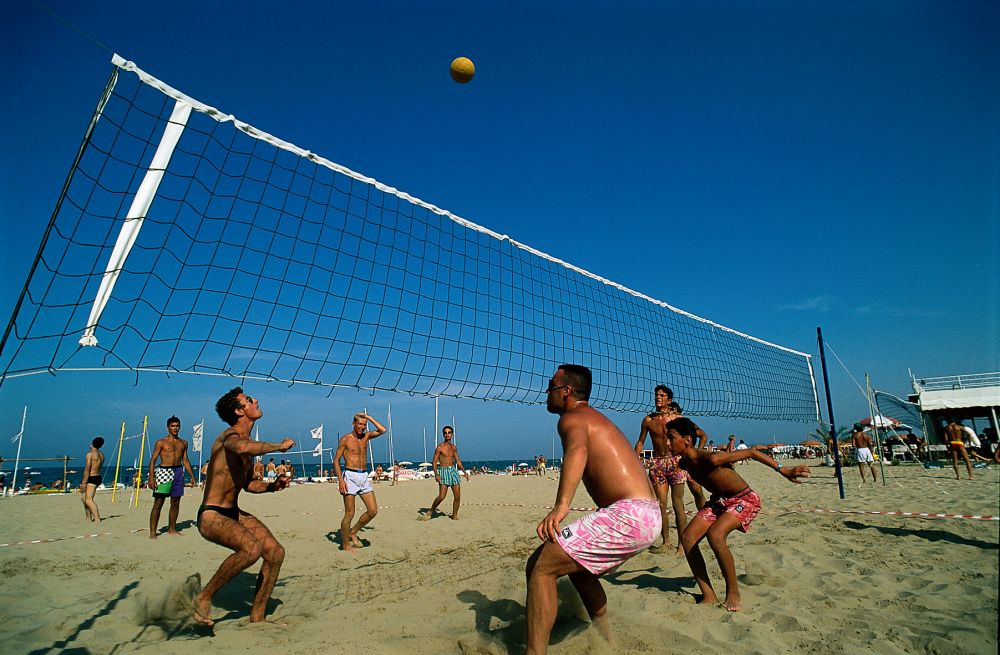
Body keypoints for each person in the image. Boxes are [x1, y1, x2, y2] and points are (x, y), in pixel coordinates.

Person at [526, 365, 660, 654]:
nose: (546, 392)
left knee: (541, 567)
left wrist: (561, 507)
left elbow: (578, 452)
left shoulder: (572, 418)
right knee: (580, 572)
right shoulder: (594, 418)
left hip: (630, 514)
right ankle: (606, 642)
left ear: (566, 392)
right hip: (646, 515)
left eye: (550, 386)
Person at [665, 417, 810, 611]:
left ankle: (733, 592)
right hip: (719, 501)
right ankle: (708, 595)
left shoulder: (711, 458)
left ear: (687, 440)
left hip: (744, 499)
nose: (666, 442)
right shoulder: (684, 464)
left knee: (715, 535)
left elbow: (752, 452)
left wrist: (785, 470)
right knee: (687, 538)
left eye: (671, 438)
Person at [192, 387, 294, 627]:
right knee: (251, 549)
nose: (256, 400)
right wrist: (278, 447)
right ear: (240, 411)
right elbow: (240, 447)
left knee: (275, 553)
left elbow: (249, 484)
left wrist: (272, 486)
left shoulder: (248, 446)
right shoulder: (229, 437)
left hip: (234, 512)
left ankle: (257, 617)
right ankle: (203, 598)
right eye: (249, 400)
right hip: (212, 514)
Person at [333, 412, 386, 552]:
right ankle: (345, 545)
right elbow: (336, 461)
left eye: (364, 425)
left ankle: (353, 532)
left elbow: (383, 430)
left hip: (363, 476)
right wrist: (340, 481)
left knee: (373, 511)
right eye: (360, 424)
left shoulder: (367, 436)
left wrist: (369, 417)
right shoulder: (346, 439)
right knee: (349, 513)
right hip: (350, 476)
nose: (362, 427)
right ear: (353, 424)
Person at [147, 416, 197, 539]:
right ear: (168, 427)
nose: (175, 428)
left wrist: (191, 476)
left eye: (177, 426)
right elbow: (153, 460)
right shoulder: (161, 442)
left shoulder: (183, 443)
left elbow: (185, 460)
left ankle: (172, 529)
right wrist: (151, 477)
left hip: (178, 471)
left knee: (175, 502)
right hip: (164, 471)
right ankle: (153, 532)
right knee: (158, 502)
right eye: (173, 426)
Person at [422, 425, 470, 520]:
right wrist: (436, 474)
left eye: (449, 432)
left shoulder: (453, 447)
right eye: (445, 433)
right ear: (443, 435)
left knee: (457, 496)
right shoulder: (440, 447)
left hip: (453, 471)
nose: (447, 434)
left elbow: (458, 461)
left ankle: (454, 516)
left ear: (452, 434)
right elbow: (434, 462)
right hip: (443, 472)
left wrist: (464, 472)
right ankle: (431, 510)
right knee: (441, 496)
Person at [80, 436, 105, 522]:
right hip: (98, 477)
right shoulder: (101, 455)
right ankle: (88, 517)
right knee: (84, 498)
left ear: (92, 444)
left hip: (92, 478)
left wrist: (83, 483)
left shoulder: (90, 455)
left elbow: (87, 469)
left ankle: (97, 518)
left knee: (88, 499)